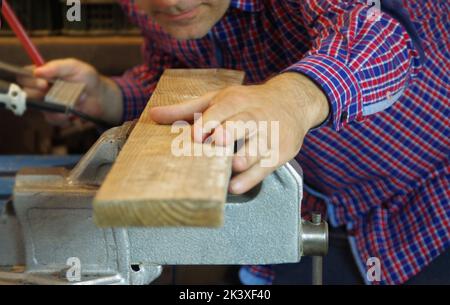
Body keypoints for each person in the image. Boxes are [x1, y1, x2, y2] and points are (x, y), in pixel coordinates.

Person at [18, 0, 449, 284]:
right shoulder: (157, 7)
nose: (172, 3)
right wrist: (107, 97)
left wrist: (293, 98)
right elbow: (178, 70)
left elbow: (381, 32)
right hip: (297, 209)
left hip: (420, 215)